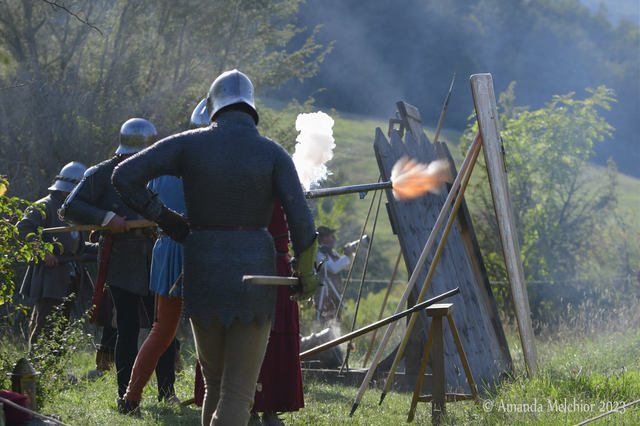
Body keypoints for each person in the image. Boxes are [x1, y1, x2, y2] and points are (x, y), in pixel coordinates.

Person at [112, 69, 318, 426]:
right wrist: (307, 275)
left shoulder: (189, 143)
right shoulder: (272, 153)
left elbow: (124, 176)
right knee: (238, 392)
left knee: (215, 385)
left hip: (203, 267)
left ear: (212, 107)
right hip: (255, 272)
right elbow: (301, 222)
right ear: (251, 107)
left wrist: (168, 220)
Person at [59, 119, 177, 413]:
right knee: (126, 329)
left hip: (157, 256)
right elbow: (70, 207)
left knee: (161, 328)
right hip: (122, 256)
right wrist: (106, 218)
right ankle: (126, 394)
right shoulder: (101, 173)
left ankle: (167, 392)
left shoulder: (162, 172)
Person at [119, 98, 210, 411]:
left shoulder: (168, 156)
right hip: (195, 250)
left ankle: (130, 397)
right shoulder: (209, 163)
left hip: (166, 247)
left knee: (162, 330)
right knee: (212, 328)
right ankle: (218, 399)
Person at [17, 161, 97, 350]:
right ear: (66, 190)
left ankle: (53, 370)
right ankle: (38, 371)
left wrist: (101, 248)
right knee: (45, 327)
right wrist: (43, 252)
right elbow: (21, 230)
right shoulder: (44, 206)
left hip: (69, 278)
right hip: (49, 278)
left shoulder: (70, 211)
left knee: (59, 328)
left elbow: (73, 246)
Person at [314, 225, 355, 324]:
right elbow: (334, 268)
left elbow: (346, 266)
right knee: (324, 321)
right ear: (324, 238)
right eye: (332, 236)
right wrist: (347, 256)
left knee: (337, 320)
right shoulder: (319, 254)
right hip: (324, 295)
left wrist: (350, 255)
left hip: (335, 294)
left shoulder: (332, 253)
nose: (335, 239)